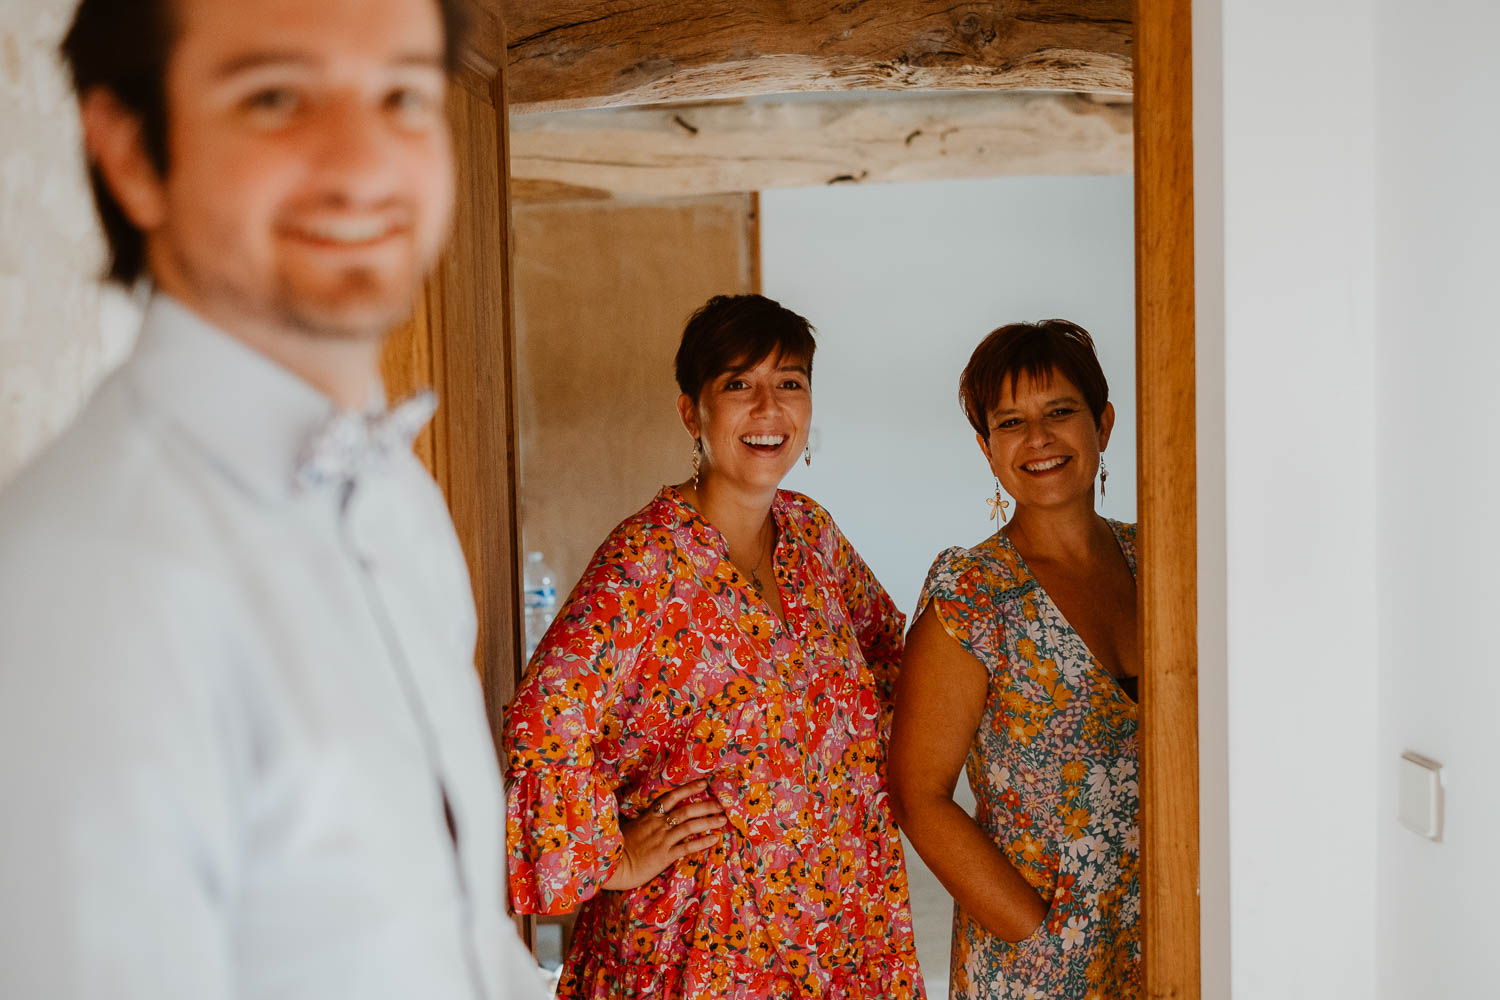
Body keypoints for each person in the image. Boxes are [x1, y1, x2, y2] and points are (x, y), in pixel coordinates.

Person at [0, 1, 543, 998]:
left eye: (403, 96)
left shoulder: (402, 507)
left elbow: (466, 947)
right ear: (130, 153)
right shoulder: (89, 581)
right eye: (276, 96)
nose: (361, 159)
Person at [504, 294, 925, 999]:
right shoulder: (646, 560)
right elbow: (545, 719)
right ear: (691, 413)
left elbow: (895, 660)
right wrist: (615, 859)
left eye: (789, 382)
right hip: (704, 938)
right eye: (739, 385)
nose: (769, 408)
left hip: (841, 922)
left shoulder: (811, 534)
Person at [889, 321, 1140, 999]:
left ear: (1104, 423)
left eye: (1060, 412)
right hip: (1036, 958)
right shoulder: (972, 593)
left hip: (1169, 926)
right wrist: (1038, 933)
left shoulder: (1160, 564)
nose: (1039, 439)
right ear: (987, 448)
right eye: (1010, 422)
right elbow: (919, 796)